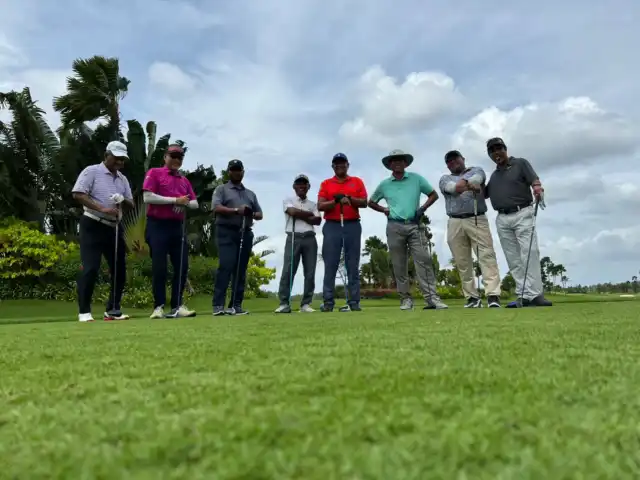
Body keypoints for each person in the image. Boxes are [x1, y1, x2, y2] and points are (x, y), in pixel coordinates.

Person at [368, 149, 448, 310]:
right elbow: (371, 202)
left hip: (414, 225)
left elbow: (433, 194)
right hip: (394, 226)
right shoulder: (384, 184)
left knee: (423, 260)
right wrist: (384, 209)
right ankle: (405, 299)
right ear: (390, 165)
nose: (397, 163)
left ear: (405, 163)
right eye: (394, 160)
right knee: (399, 264)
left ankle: (432, 298)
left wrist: (422, 208)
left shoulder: (416, 179)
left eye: (400, 160)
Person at [484, 137, 552, 307]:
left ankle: (535, 294)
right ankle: (523, 294)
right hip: (502, 218)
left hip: (522, 212)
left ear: (505, 149)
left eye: (498, 148)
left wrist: (537, 187)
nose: (496, 152)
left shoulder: (520, 163)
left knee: (530, 253)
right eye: (492, 151)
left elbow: (534, 180)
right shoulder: (494, 175)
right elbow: (484, 194)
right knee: (513, 258)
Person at [71, 141, 134, 322]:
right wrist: (102, 208)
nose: (120, 162)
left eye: (122, 159)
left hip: (114, 228)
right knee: (90, 268)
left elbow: (131, 204)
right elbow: (78, 194)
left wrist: (122, 200)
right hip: (92, 223)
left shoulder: (122, 179)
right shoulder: (92, 171)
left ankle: (112, 310)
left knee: (119, 270)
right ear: (106, 155)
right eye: (116, 158)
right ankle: (84, 312)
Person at [439, 150, 502, 308]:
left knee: (486, 256)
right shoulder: (444, 178)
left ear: (463, 159)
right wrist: (470, 185)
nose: (453, 162)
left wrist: (472, 182)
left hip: (476, 217)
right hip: (454, 221)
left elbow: (477, 178)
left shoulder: (477, 169)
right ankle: (472, 298)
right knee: (462, 261)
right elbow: (455, 188)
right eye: (449, 161)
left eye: (456, 159)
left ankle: (493, 295)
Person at [142, 144, 199, 319]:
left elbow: (194, 203)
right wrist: (175, 200)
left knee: (182, 266)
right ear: (165, 157)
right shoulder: (155, 172)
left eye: (179, 157)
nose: (176, 160)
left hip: (176, 228)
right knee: (160, 267)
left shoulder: (184, 180)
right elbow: (147, 197)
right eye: (173, 156)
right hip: (157, 225)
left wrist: (183, 203)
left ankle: (176, 306)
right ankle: (158, 306)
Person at [211, 159, 263, 316]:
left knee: (241, 270)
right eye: (233, 170)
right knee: (226, 266)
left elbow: (260, 214)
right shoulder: (221, 189)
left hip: (245, 233)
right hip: (226, 231)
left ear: (243, 172)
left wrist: (250, 213)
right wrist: (236, 210)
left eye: (238, 170)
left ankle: (236, 305)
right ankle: (218, 305)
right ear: (229, 172)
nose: (236, 172)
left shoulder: (250, 194)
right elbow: (216, 207)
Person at [317, 153, 368, 312]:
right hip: (332, 225)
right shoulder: (326, 183)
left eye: (342, 163)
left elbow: (364, 202)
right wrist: (336, 201)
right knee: (330, 264)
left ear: (347, 165)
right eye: (336, 164)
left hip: (352, 224)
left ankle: (354, 302)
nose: (340, 166)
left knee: (352, 264)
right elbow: (320, 206)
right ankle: (328, 303)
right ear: (333, 166)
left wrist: (349, 199)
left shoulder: (357, 181)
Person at [274, 174, 322, 313]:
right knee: (288, 270)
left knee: (310, 271)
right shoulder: (288, 200)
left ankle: (305, 304)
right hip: (293, 236)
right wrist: (308, 215)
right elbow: (292, 211)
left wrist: (299, 214)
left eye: (304, 184)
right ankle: (284, 303)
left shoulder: (313, 204)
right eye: (299, 183)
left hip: (309, 238)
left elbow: (318, 221)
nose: (301, 186)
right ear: (294, 186)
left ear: (308, 187)